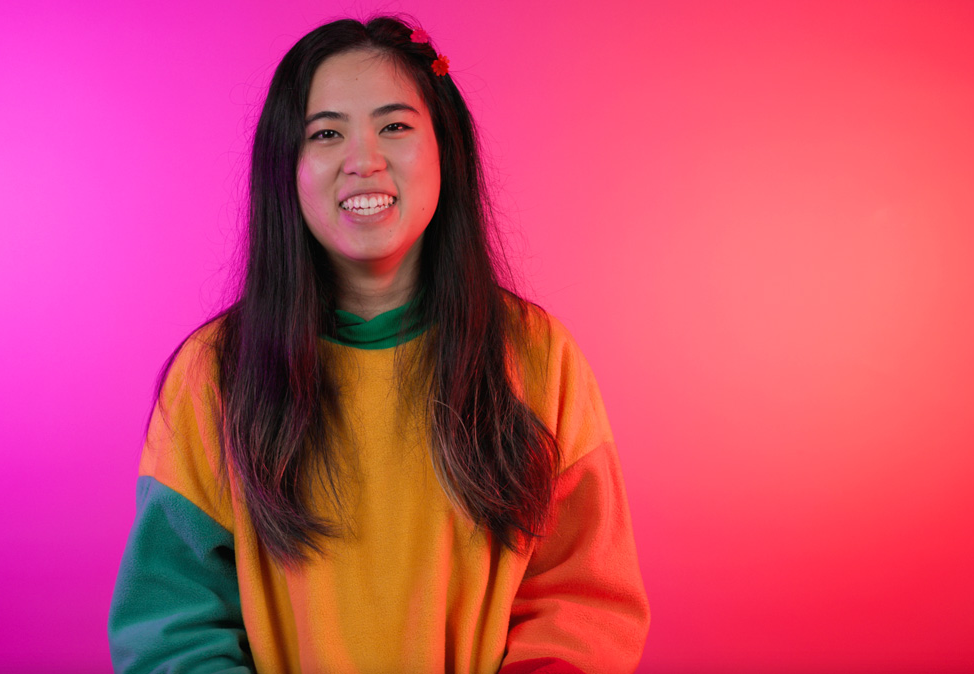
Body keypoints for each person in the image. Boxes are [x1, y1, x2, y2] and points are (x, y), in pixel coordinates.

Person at [108, 15, 649, 674]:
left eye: (394, 126)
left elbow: (584, 605)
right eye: (327, 133)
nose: (363, 160)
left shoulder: (539, 358)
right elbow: (174, 623)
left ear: (445, 148)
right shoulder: (215, 374)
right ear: (286, 169)